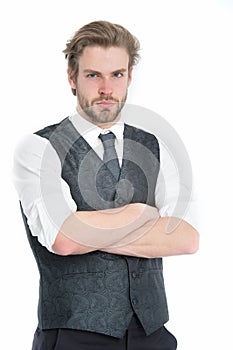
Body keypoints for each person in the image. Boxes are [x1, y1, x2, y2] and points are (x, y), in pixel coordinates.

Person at [13, 20, 199, 350]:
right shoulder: (39, 148)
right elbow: (64, 239)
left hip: (153, 335)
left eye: (117, 74)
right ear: (72, 78)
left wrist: (88, 228)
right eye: (93, 75)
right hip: (73, 336)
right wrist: (142, 216)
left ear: (129, 77)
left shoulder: (157, 147)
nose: (106, 88)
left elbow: (186, 238)